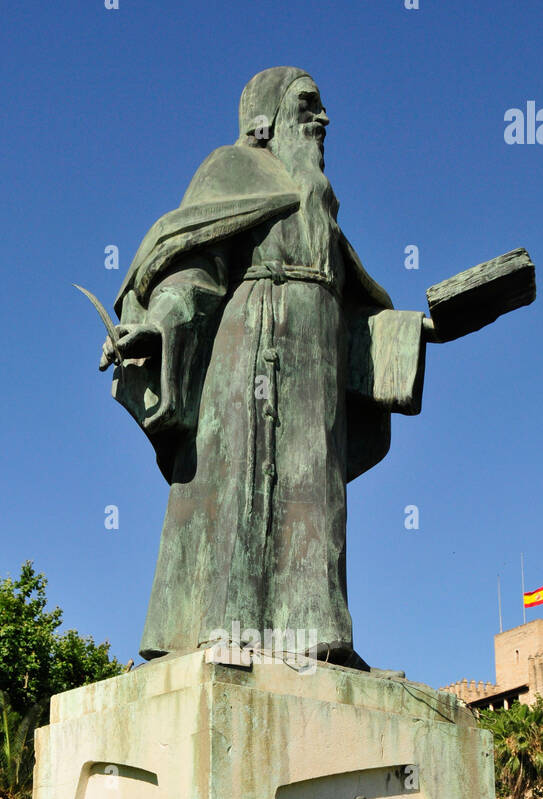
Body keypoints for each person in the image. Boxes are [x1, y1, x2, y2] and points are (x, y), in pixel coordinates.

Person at [99, 67, 431, 669]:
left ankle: (319, 634)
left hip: (317, 375)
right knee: (235, 487)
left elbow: (357, 314)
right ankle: (217, 627)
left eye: (322, 109)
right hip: (246, 355)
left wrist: (414, 330)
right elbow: (193, 269)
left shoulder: (323, 213)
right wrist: (156, 324)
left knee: (316, 501)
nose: (322, 120)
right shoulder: (231, 171)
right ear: (265, 119)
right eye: (308, 106)